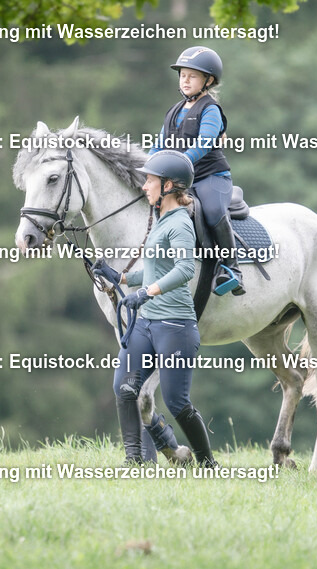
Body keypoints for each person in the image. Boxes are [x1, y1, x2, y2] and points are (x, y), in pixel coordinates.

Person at [94, 150, 218, 467]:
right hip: (146, 323)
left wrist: (146, 292)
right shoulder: (161, 221)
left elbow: (184, 269)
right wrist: (120, 276)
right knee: (124, 387)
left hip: (174, 326)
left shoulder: (180, 225)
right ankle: (135, 461)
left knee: (178, 403)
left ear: (168, 186)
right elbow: (153, 268)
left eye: (150, 180)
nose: (144, 186)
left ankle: (207, 464)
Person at [149, 45, 245, 296]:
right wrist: (149, 169)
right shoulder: (173, 111)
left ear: (208, 80)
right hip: (181, 180)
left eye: (192, 76)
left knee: (213, 211)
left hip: (211, 177)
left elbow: (203, 143)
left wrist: (178, 167)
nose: (186, 80)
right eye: (183, 75)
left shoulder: (210, 109)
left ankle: (232, 268)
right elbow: (159, 145)